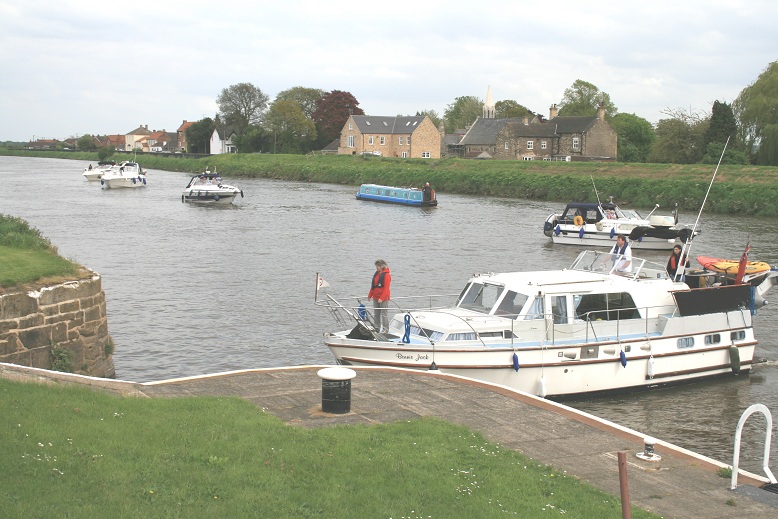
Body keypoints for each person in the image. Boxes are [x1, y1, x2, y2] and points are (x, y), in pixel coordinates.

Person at [368, 259, 392, 333]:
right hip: (375, 297)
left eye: (378, 266)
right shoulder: (377, 274)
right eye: (376, 266)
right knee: (376, 313)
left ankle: (385, 329)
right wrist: (370, 295)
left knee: (384, 314)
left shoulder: (387, 275)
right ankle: (377, 327)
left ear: (382, 266)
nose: (377, 267)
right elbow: (373, 286)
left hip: (383, 298)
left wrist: (382, 298)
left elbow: (386, 288)